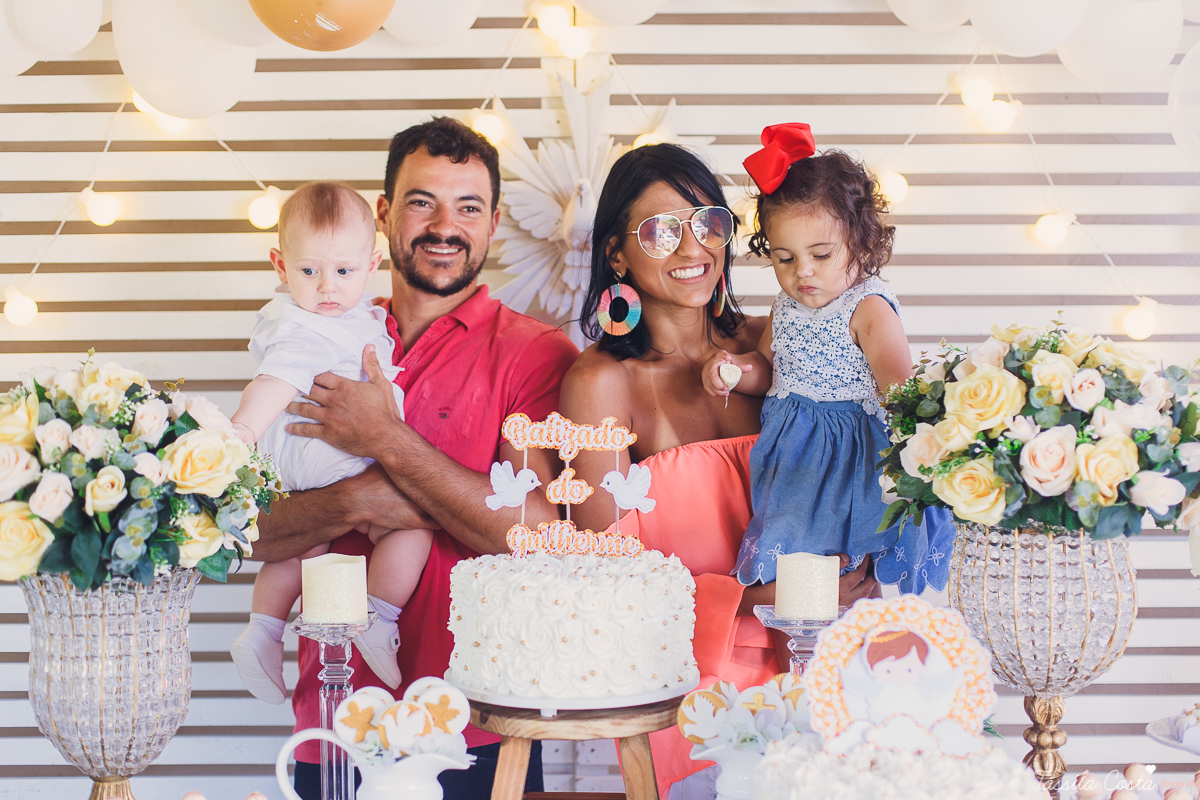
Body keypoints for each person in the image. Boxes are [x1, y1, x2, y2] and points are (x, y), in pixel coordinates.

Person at [251, 118, 579, 800]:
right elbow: (250, 533)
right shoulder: (314, 335)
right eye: (422, 201)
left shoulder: (535, 353)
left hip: (484, 724)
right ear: (383, 217)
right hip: (332, 720)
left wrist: (385, 439)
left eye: (468, 208)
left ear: (491, 225)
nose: (444, 225)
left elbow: (538, 537)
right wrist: (356, 500)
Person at [558, 142, 878, 799]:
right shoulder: (602, 383)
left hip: (826, 654)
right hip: (696, 691)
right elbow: (604, 579)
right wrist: (769, 601)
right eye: (661, 230)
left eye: (708, 222)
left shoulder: (774, 342)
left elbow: (861, 451)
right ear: (616, 253)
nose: (692, 247)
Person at [701, 122, 955, 597]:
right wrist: (734, 369)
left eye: (820, 253)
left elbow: (902, 393)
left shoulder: (870, 310)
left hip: (852, 458)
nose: (803, 272)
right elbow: (768, 369)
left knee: (855, 574)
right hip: (795, 460)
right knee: (796, 574)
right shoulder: (785, 309)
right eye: (784, 258)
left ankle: (858, 647)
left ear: (861, 242)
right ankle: (797, 659)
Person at [229, 181, 434, 703]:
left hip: (299, 459)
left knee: (303, 547)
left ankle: (263, 630)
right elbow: (273, 381)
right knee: (413, 529)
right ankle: (378, 616)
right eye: (308, 271)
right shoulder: (308, 328)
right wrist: (242, 431)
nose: (326, 287)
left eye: (342, 272)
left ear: (371, 265)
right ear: (280, 264)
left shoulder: (331, 316)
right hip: (336, 454)